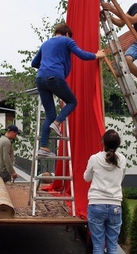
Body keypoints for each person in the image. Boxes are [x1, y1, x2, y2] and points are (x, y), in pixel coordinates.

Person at [31, 23, 106, 157]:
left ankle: (43, 147)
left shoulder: (45, 44)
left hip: (40, 79)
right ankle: (57, 122)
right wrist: (96, 55)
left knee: (49, 114)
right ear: (66, 34)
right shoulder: (67, 40)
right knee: (72, 101)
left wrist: (46, 65)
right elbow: (81, 54)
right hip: (55, 77)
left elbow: (34, 63)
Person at [83, 129, 127, 254]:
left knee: (98, 247)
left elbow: (86, 178)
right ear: (118, 144)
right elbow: (120, 179)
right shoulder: (122, 159)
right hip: (115, 205)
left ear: (102, 142)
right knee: (113, 247)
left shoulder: (94, 158)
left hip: (96, 204)